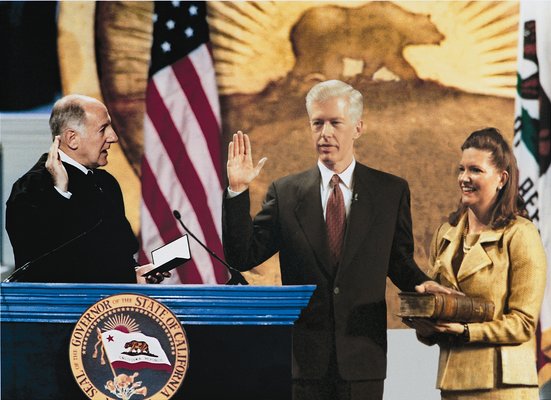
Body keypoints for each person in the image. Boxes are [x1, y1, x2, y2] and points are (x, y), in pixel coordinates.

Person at [222, 80, 452, 400]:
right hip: (304, 362)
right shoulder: (286, 193)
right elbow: (242, 256)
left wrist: (422, 285)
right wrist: (237, 191)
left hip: (362, 359)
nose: (324, 133)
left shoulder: (389, 192)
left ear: (357, 127)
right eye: (317, 123)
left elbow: (398, 261)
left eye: (335, 123)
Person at [404, 128, 547, 399]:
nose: (464, 178)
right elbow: (443, 315)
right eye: (461, 169)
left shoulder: (521, 234)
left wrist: (466, 331)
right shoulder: (445, 235)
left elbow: (523, 323)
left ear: (502, 178)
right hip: (454, 385)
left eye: (475, 170)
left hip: (504, 388)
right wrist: (425, 327)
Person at [6, 94, 165, 283]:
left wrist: (134, 273)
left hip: (110, 308)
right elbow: (47, 264)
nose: (113, 137)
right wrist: (60, 194)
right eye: (103, 129)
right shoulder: (32, 188)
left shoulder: (106, 184)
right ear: (72, 138)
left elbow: (115, 252)